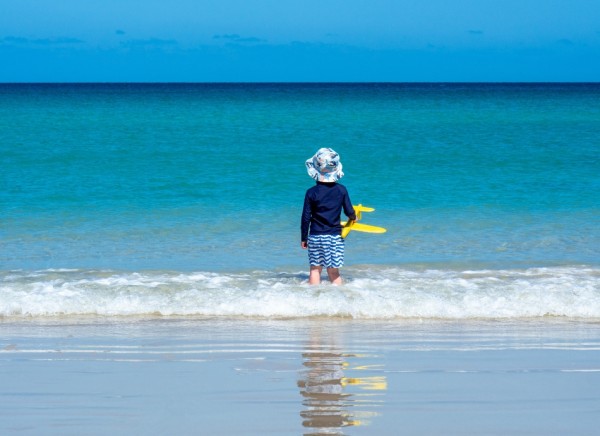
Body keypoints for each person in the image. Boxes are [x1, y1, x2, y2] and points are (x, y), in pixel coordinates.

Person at [301, 148, 356, 285]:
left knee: (315, 270)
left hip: (315, 236)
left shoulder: (311, 193)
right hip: (333, 237)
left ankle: (313, 300)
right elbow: (349, 211)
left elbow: (306, 217)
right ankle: (338, 300)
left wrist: (303, 238)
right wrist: (353, 217)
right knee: (333, 272)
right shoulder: (341, 190)